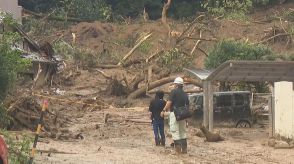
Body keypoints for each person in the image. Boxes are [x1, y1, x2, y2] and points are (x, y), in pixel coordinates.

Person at [161, 77, 189, 154]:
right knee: (182, 131)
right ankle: (184, 150)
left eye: (174, 84)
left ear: (176, 84)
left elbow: (169, 102)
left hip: (175, 113)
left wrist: (163, 110)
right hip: (183, 115)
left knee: (175, 131)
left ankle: (178, 150)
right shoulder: (185, 93)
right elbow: (187, 105)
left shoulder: (173, 92)